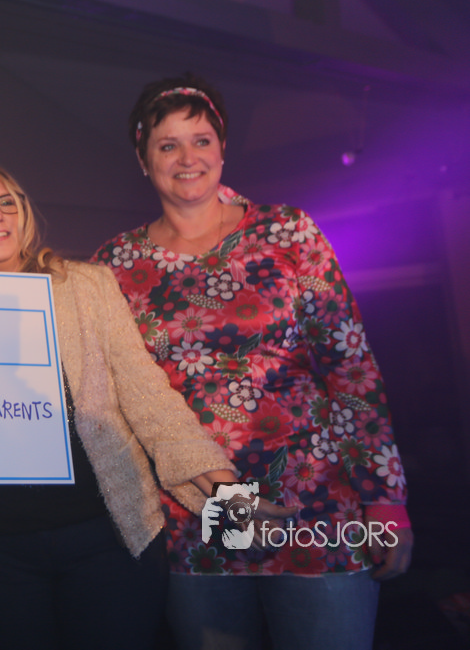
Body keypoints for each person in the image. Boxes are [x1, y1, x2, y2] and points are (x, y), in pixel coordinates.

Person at [92, 74, 413, 650]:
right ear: (143, 159)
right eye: (168, 145)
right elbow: (110, 397)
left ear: (222, 148)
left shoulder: (287, 231)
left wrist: (385, 496)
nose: (187, 158)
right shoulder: (116, 264)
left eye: (201, 140)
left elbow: (350, 368)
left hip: (312, 497)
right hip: (200, 508)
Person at [0, 161, 290, 650]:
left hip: (107, 541)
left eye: (5, 201)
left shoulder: (86, 286)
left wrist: (229, 497)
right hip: (4, 551)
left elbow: (148, 396)